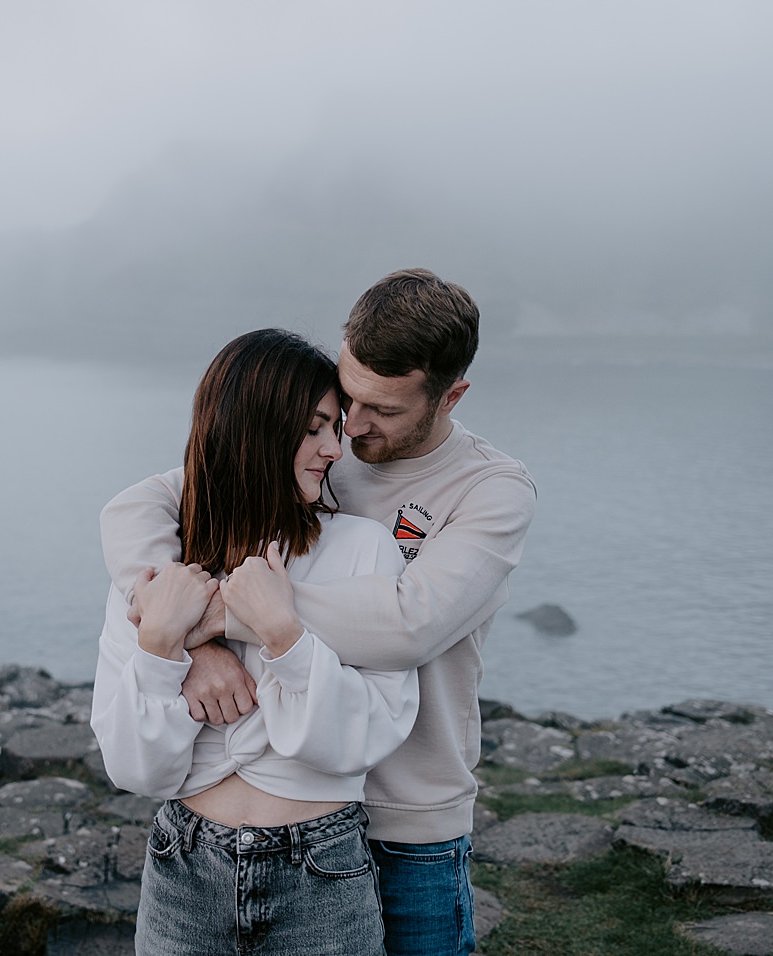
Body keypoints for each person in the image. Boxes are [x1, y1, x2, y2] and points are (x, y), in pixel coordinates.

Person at [102, 269, 536, 955]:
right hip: (245, 821)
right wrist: (176, 632)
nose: (353, 431)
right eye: (346, 400)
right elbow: (143, 507)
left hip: (408, 814)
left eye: (382, 412)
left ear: (450, 396)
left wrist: (229, 618)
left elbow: (408, 624)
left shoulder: (490, 490)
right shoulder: (313, 454)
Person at [91, 328, 419, 956]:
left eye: (336, 427)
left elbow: (366, 736)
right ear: (256, 428)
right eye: (315, 428)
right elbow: (135, 768)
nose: (334, 450)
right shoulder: (155, 573)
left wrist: (283, 635)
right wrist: (163, 645)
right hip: (182, 871)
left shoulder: (362, 548)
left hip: (320, 876)